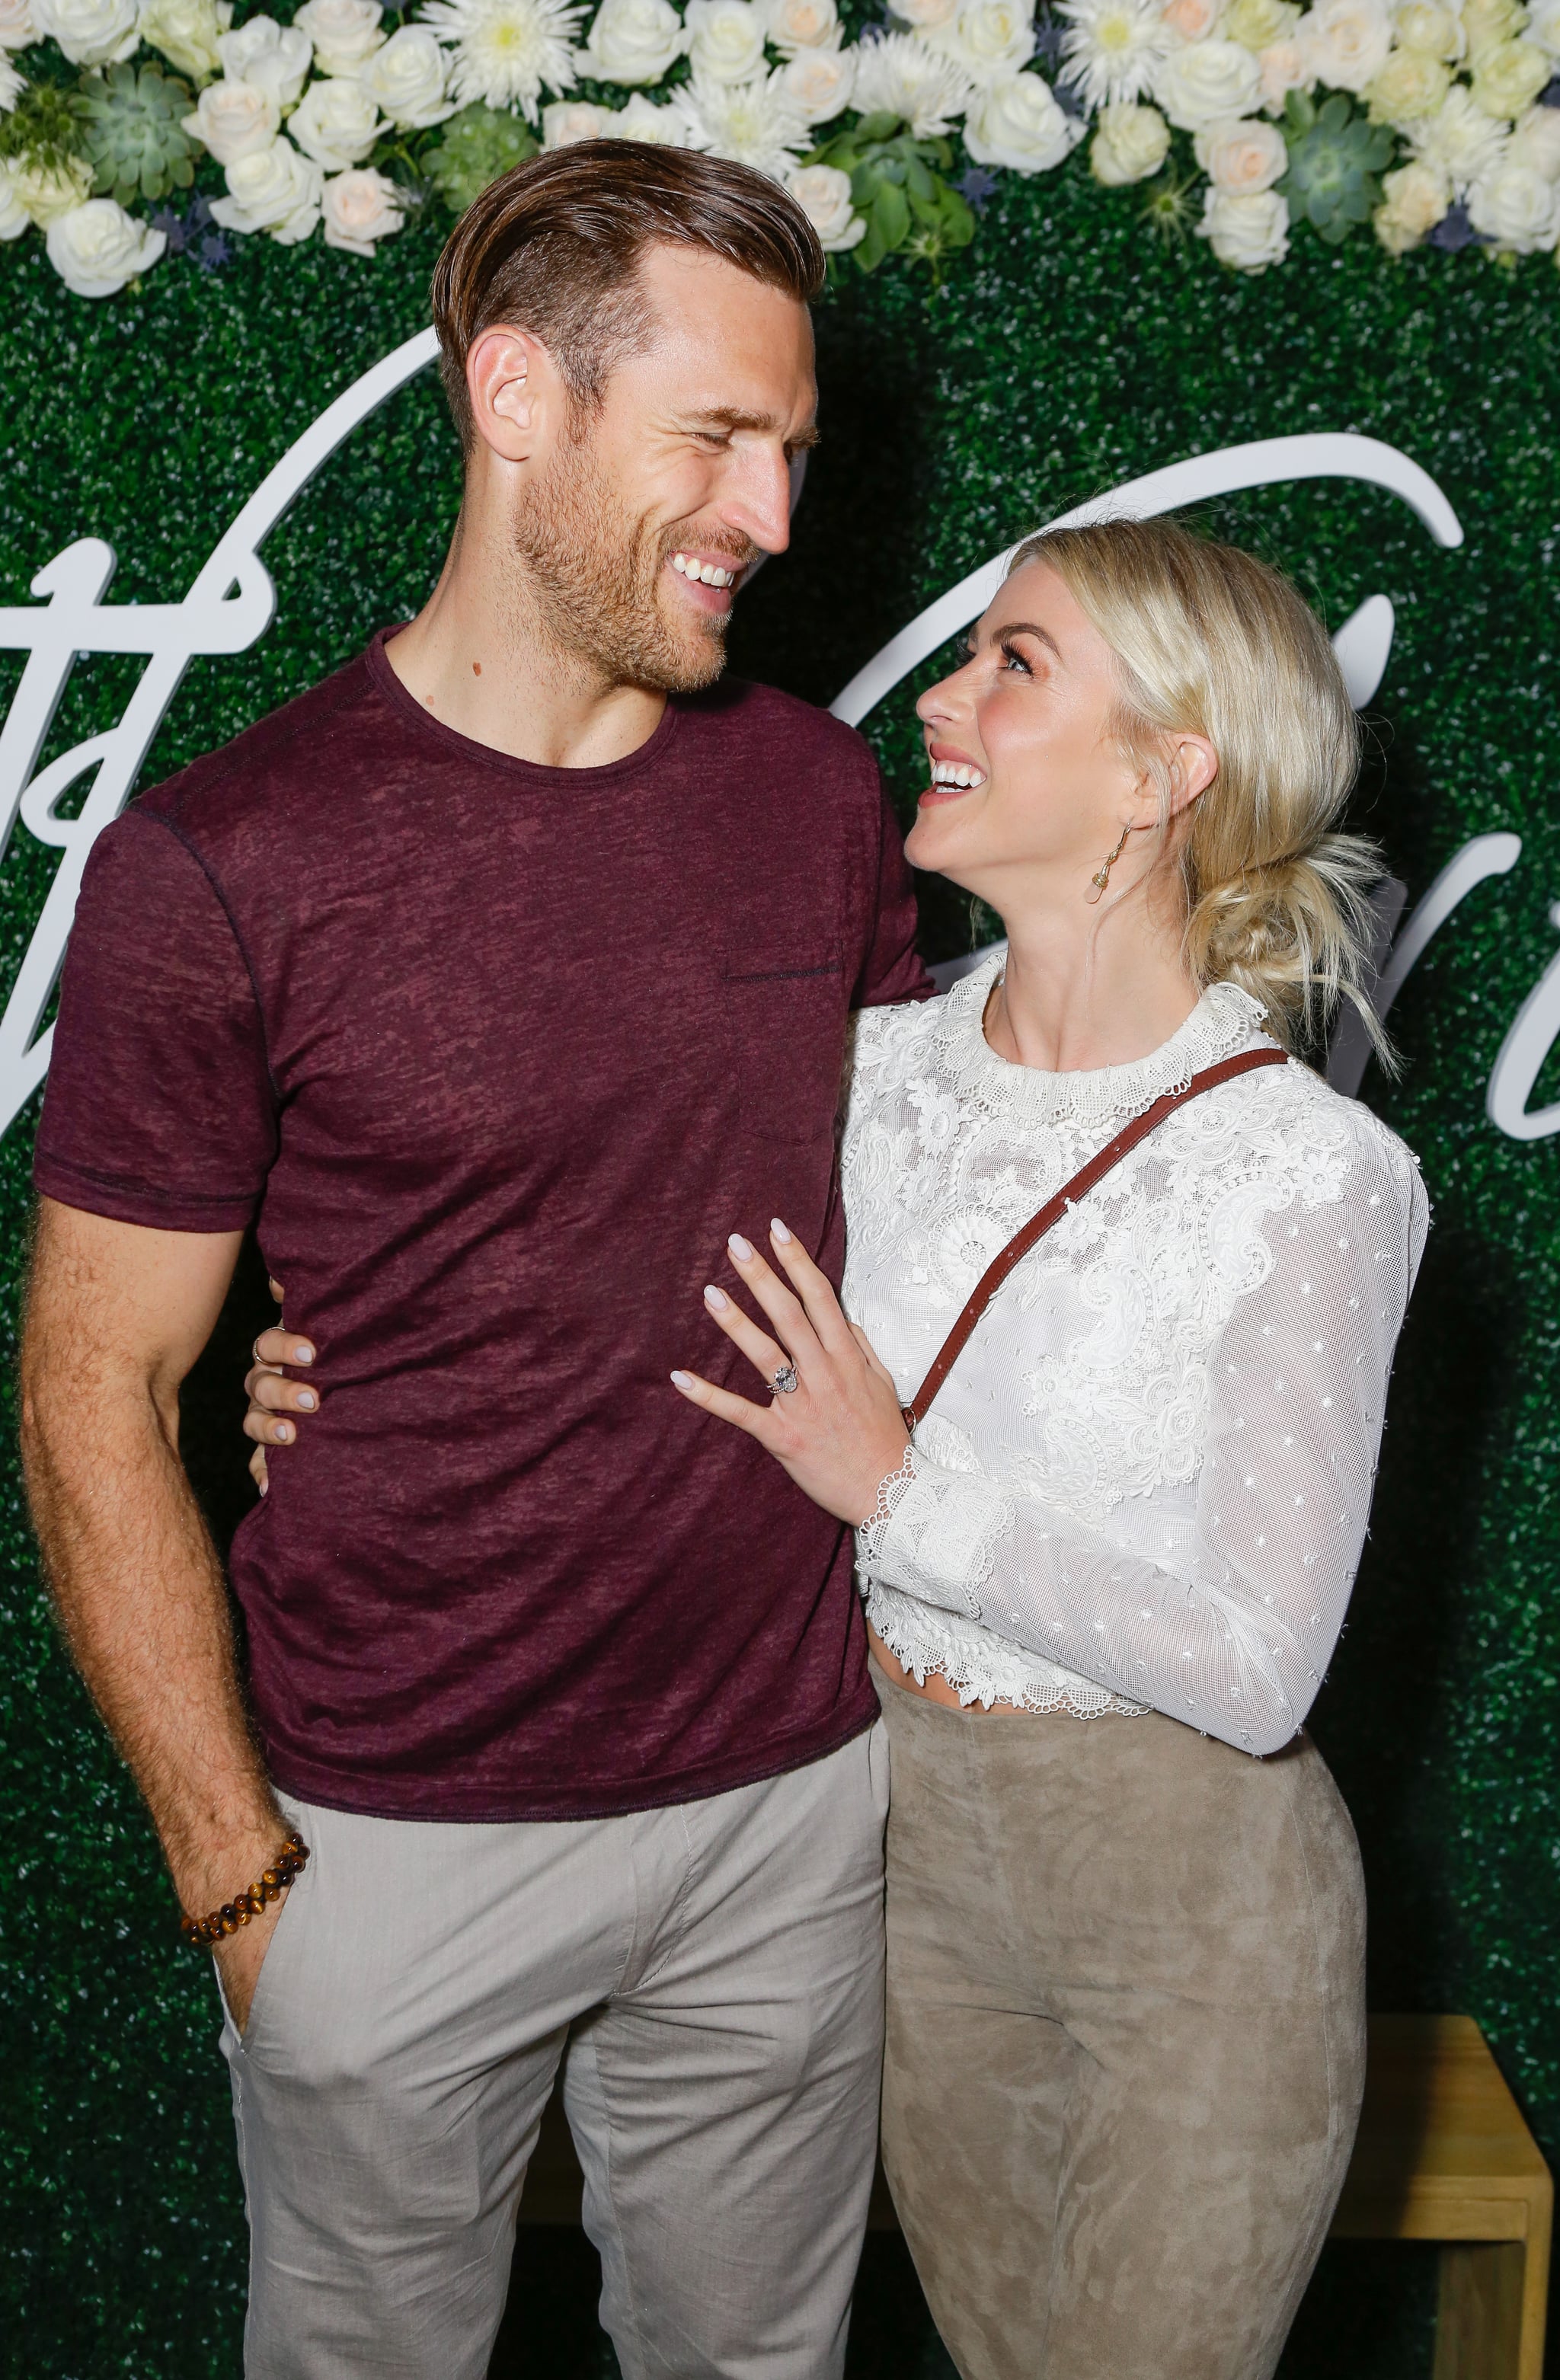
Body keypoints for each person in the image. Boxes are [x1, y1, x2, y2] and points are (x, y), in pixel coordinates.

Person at [19, 145, 930, 2380]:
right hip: (391, 1827)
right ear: (515, 394)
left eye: (794, 451)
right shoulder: (222, 860)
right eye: (717, 436)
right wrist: (239, 1883)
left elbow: (943, 1219)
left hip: (789, 1804)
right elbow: (89, 1389)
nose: (774, 515)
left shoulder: (821, 800)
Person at [660, 519, 1429, 2379]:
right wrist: (321, 1374)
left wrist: (901, 1491)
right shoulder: (865, 1073)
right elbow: (640, 1318)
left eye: (1018, 663)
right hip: (900, 1858)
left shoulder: (1309, 1174)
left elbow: (1257, 1670)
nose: (945, 691)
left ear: (1167, 775)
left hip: (1192, 1902)